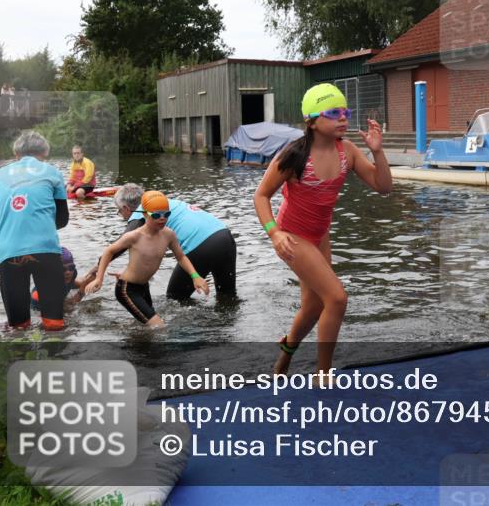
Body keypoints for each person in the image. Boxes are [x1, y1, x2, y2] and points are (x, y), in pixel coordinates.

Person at [254, 83, 392, 379]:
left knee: (314, 306)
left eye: (345, 111)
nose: (343, 117)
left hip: (320, 235)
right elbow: (261, 195)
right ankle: (324, 372)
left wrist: (378, 153)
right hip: (294, 237)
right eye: (333, 112)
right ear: (312, 120)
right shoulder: (293, 156)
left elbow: (383, 187)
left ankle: (283, 359)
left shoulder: (349, 151)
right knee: (337, 298)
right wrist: (274, 233)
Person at [79, 183, 238, 300]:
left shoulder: (142, 213)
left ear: (127, 208)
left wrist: (94, 272)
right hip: (225, 237)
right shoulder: (165, 203)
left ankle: (195, 336)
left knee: (175, 299)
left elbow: (117, 248)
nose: (121, 215)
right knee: (227, 297)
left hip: (202, 246)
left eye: (119, 211)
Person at [0, 131, 69, 331]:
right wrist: (40, 226)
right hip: (46, 252)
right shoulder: (52, 172)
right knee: (54, 325)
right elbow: (63, 219)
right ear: (44, 152)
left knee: (18, 328)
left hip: (9, 253)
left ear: (16, 153)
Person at [86, 191, 208, 327]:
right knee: (158, 326)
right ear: (144, 214)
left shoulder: (168, 235)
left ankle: (136, 343)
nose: (162, 219)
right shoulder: (134, 236)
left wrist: (195, 276)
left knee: (146, 325)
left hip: (144, 287)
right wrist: (99, 278)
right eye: (156, 215)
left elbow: (181, 257)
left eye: (166, 214)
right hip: (127, 290)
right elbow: (109, 251)